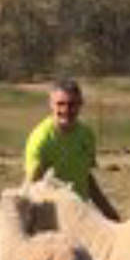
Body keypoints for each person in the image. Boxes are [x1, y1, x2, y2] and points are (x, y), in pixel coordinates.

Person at [23, 79, 121, 221]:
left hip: (79, 213)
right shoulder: (41, 140)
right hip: (51, 217)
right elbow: (31, 186)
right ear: (51, 105)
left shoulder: (86, 135)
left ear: (80, 104)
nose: (66, 110)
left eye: (72, 104)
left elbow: (86, 178)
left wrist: (110, 214)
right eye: (60, 104)